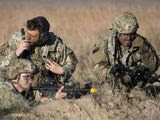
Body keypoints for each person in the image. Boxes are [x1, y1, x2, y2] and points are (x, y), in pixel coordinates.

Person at [0, 16, 78, 87]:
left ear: (43, 36)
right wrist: (16, 54)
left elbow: (72, 62)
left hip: (43, 87)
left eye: (33, 36)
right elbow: (1, 64)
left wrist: (63, 71)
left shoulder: (55, 45)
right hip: (17, 86)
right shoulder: (17, 40)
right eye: (28, 33)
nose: (28, 38)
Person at [92, 12, 159, 91]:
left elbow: (153, 67)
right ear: (118, 33)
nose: (128, 38)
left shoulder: (140, 43)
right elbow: (98, 70)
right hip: (110, 84)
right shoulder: (104, 44)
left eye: (131, 34)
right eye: (124, 34)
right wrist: (114, 73)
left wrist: (144, 50)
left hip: (136, 85)